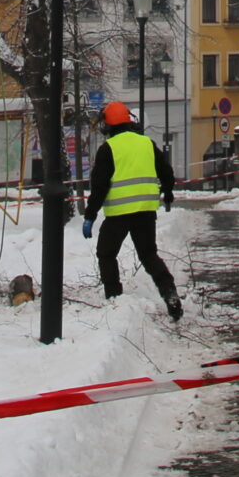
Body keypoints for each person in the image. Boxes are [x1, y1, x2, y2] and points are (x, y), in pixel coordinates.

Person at [81, 101, 180, 320]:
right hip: (146, 211)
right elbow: (166, 171)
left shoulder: (108, 149)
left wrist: (90, 216)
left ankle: (114, 298)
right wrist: (168, 192)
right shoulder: (147, 143)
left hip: (118, 214)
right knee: (149, 255)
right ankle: (169, 292)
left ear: (107, 125)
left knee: (106, 254)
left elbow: (99, 187)